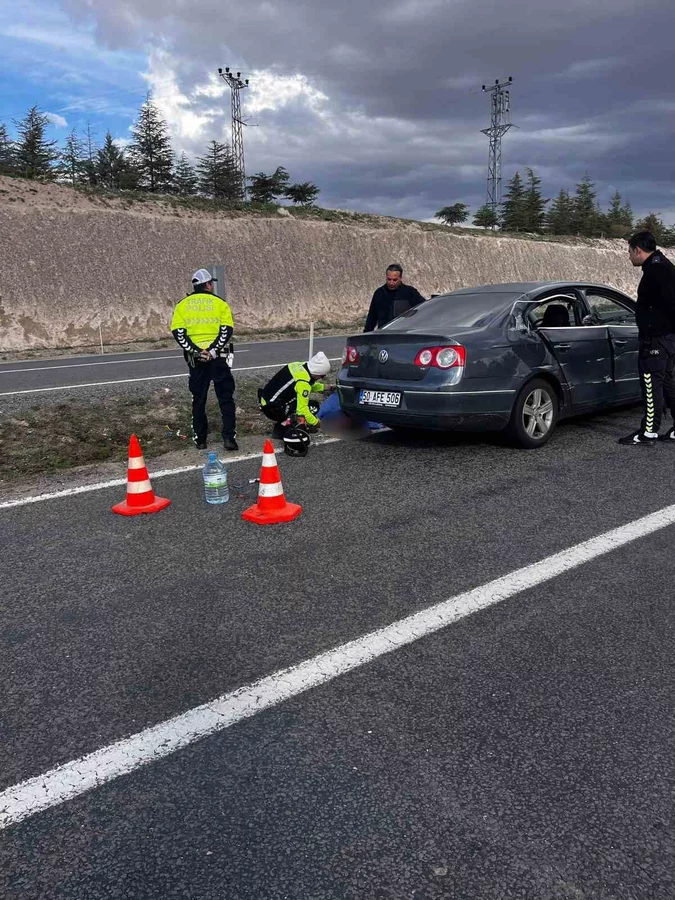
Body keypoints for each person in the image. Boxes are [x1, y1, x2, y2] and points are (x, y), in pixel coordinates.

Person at [170, 268, 238, 451]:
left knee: (198, 399)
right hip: (218, 357)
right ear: (208, 285)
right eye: (211, 283)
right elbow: (226, 331)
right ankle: (229, 438)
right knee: (226, 398)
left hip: (195, 360)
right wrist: (212, 350)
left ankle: (200, 440)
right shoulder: (220, 303)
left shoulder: (182, 305)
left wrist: (196, 351)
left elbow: (179, 333)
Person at [619, 232, 675, 446]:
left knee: (651, 384)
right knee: (667, 382)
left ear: (638, 250)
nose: (629, 257)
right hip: (667, 338)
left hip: (657, 339)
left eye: (629, 252)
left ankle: (649, 432)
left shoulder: (656, 271)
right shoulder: (663, 265)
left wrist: (652, 330)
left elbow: (668, 304)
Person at [258, 351, 333, 438]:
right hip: (272, 409)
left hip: (266, 399)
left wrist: (327, 387)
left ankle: (285, 422)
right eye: (322, 376)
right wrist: (318, 424)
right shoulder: (303, 383)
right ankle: (282, 428)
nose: (322, 378)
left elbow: (307, 384)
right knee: (313, 407)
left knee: (304, 403)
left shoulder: (297, 366)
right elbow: (302, 410)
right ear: (317, 373)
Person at [364, 263, 426, 331]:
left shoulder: (410, 292)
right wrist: (366, 335)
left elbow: (424, 309)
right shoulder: (379, 293)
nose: (391, 283)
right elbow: (371, 318)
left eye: (394, 280)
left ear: (400, 278)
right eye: (389, 279)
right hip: (383, 334)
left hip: (404, 333)